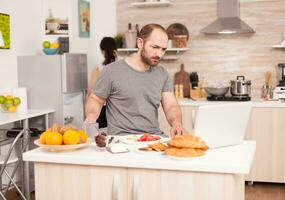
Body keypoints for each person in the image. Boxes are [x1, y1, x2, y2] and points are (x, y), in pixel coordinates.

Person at [85, 23, 186, 138]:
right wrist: (91, 116)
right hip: (121, 141)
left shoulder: (162, 74)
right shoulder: (111, 71)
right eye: (155, 47)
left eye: (163, 49)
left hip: (152, 138)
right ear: (140, 43)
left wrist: (176, 123)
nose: (159, 54)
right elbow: (95, 99)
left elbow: (171, 106)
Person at [87, 37, 118, 128]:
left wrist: (88, 109)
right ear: (115, 49)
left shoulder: (99, 68)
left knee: (102, 137)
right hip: (119, 108)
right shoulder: (122, 66)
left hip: (102, 108)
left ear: (102, 50)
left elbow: (91, 91)